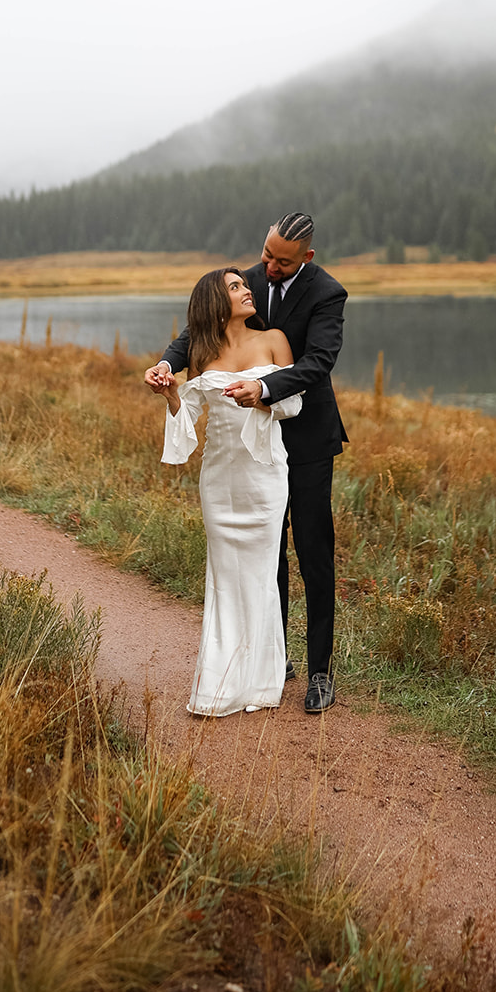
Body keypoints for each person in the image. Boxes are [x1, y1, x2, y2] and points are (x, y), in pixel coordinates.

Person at [146, 213, 348, 713]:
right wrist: (168, 365)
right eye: (266, 254)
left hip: (304, 437)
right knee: (268, 556)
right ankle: (270, 660)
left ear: (306, 257)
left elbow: (318, 362)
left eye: (281, 261)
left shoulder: (328, 294)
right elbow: (197, 332)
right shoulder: (247, 284)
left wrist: (264, 389)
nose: (268, 267)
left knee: (314, 552)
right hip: (238, 454)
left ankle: (320, 671)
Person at [154, 266, 301, 717]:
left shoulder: (274, 339)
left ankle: (260, 684)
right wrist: (170, 393)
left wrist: (261, 395)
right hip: (219, 480)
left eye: (244, 284)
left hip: (265, 477)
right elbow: (188, 418)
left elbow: (294, 403)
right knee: (224, 577)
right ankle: (219, 681)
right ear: (216, 305)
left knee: (260, 576)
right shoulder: (200, 355)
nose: (246, 290)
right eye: (235, 287)